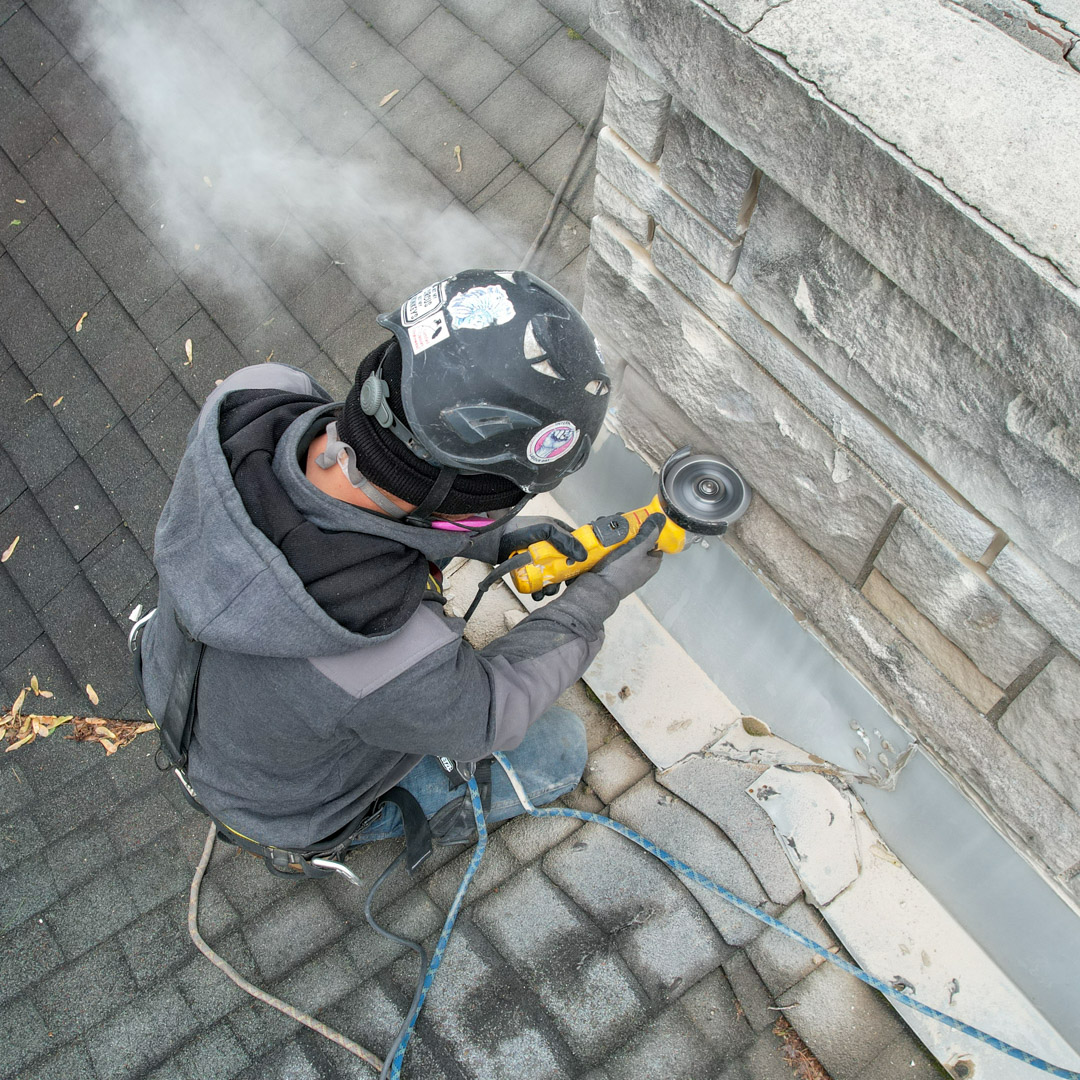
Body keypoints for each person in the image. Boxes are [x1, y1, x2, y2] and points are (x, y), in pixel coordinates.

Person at [137, 269, 665, 868]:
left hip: (175, 684)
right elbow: (494, 714)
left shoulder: (252, 399)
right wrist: (596, 599)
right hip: (275, 808)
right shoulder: (384, 651)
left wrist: (489, 545)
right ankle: (321, 836)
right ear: (457, 508)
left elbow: (371, 499)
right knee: (562, 751)